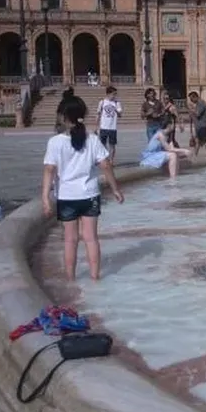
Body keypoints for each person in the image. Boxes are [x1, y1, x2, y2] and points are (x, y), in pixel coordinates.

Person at [41, 99, 124, 282]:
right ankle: (95, 278)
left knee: (70, 240)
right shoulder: (92, 140)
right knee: (91, 238)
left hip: (67, 196)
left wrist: (45, 198)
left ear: (63, 117)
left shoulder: (55, 142)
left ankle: (70, 279)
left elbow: (49, 170)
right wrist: (115, 189)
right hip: (90, 195)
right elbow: (106, 165)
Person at [139, 115, 193, 182]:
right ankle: (172, 179)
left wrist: (184, 153)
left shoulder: (168, 135)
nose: (174, 126)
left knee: (175, 154)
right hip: (150, 156)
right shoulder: (160, 134)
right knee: (172, 155)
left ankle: (175, 176)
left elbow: (172, 148)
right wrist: (184, 150)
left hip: (158, 154)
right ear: (169, 125)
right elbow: (168, 149)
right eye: (173, 123)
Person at [95, 86, 122, 163]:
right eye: (113, 94)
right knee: (102, 145)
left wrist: (117, 111)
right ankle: (104, 159)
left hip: (113, 128)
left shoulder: (117, 103)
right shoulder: (102, 102)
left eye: (115, 94)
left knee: (112, 145)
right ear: (108, 94)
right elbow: (98, 114)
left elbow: (120, 115)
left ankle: (111, 161)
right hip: (103, 127)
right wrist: (96, 127)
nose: (114, 96)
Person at [187, 91, 206, 155]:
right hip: (199, 126)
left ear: (195, 97)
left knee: (205, 141)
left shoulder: (201, 103)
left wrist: (191, 109)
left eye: (191, 99)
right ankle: (195, 155)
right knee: (198, 141)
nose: (191, 101)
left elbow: (197, 114)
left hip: (202, 126)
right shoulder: (198, 104)